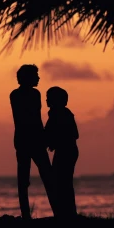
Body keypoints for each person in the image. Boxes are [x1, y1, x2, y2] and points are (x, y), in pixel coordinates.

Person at [10, 64, 57, 219]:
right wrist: (44, 137)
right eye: (35, 75)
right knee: (28, 179)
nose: (38, 78)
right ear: (27, 78)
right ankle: (27, 215)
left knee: (45, 177)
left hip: (30, 140)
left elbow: (36, 119)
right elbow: (31, 119)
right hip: (29, 140)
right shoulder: (19, 95)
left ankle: (56, 212)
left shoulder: (31, 94)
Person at [45, 86, 79, 218]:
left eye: (49, 98)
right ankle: (68, 212)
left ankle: (68, 213)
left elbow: (74, 134)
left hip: (67, 151)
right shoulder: (58, 113)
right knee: (63, 182)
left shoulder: (61, 114)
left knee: (63, 182)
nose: (47, 101)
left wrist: (55, 140)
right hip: (66, 150)